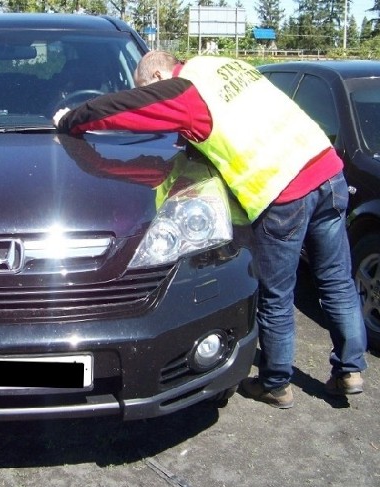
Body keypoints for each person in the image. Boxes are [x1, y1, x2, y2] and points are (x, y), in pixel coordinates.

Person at [53, 51, 368, 409]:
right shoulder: (223, 66)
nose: (155, 96)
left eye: (148, 86)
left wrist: (72, 119)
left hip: (284, 192)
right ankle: (350, 371)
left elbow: (123, 108)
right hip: (327, 172)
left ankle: (276, 383)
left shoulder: (185, 90)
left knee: (277, 294)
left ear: (157, 74)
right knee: (337, 280)